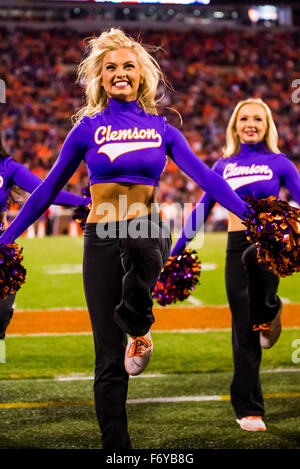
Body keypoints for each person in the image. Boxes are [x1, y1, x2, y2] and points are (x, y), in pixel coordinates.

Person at [0, 28, 249, 449]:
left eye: (128, 66)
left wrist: (251, 216)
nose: (120, 73)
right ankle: (118, 448)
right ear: (99, 76)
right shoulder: (86, 129)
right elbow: (44, 191)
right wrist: (5, 238)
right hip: (99, 235)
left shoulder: (162, 128)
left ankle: (138, 321)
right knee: (107, 358)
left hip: (145, 228)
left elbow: (207, 177)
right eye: (110, 67)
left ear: (141, 75)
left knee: (140, 233)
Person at [171, 98, 300, 432]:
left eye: (258, 118)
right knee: (242, 331)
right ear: (235, 126)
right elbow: (201, 209)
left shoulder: (281, 163)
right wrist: (177, 249)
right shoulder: (222, 166)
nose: (251, 123)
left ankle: (269, 310)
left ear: (267, 125)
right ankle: (248, 408)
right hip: (235, 246)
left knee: (253, 269)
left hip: (268, 246)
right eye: (244, 118)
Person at [0, 133, 91, 345]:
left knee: (1, 317)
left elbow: (46, 191)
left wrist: (86, 202)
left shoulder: (8, 167)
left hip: (1, 250)